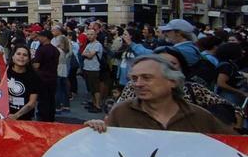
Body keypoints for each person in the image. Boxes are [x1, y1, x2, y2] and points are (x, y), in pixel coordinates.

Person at [87, 54, 234, 136]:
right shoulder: (121, 112)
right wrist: (97, 128)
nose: (138, 84)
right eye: (134, 78)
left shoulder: (198, 116)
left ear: (172, 82)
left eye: (147, 77)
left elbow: (234, 146)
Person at [117, 46, 244, 130]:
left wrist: (234, 131)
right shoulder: (126, 102)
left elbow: (235, 111)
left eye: (172, 64)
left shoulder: (196, 100)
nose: (139, 84)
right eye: (159, 63)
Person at [126, 19, 201, 67]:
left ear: (178, 33)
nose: (165, 33)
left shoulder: (183, 50)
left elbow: (153, 55)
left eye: (168, 31)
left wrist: (132, 44)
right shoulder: (189, 48)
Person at [32, 30, 59, 122]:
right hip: (53, 78)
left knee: (43, 101)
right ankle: (51, 118)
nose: (38, 38)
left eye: (39, 36)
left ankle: (43, 119)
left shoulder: (41, 50)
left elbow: (36, 66)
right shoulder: (55, 50)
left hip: (42, 79)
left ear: (45, 37)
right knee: (51, 100)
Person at [7, 45, 40, 120]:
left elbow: (32, 103)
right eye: (18, 54)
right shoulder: (4, 72)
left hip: (25, 118)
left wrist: (16, 116)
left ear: (28, 59)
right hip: (4, 116)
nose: (21, 57)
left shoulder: (34, 77)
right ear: (12, 57)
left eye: (25, 55)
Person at [214, 42, 247, 107]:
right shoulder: (226, 66)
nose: (243, 51)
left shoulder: (229, 63)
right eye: (240, 50)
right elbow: (221, 83)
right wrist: (241, 92)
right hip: (228, 96)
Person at [82, 28, 103, 113]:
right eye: (88, 34)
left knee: (95, 88)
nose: (89, 36)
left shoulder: (97, 44)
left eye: (91, 34)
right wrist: (87, 54)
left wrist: (87, 54)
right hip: (87, 67)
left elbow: (90, 55)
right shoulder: (89, 44)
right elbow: (83, 53)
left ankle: (98, 105)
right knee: (91, 88)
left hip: (94, 68)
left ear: (95, 35)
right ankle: (94, 103)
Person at [55, 34, 73, 112]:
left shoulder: (58, 50)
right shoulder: (67, 50)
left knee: (57, 90)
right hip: (64, 70)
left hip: (58, 70)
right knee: (64, 90)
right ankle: (66, 106)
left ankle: (58, 107)